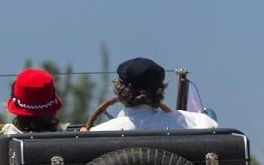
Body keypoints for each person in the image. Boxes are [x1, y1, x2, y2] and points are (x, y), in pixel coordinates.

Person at [90, 57, 218, 132]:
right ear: (160, 89)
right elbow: (210, 124)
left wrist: (85, 133)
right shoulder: (195, 123)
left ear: (119, 91)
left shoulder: (100, 133)